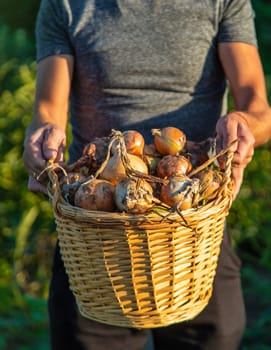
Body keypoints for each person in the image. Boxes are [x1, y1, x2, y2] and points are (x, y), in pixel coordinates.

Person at [23, 1, 271, 349]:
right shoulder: (66, 5)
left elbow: (256, 104)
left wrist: (244, 125)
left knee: (217, 335)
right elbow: (48, 108)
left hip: (193, 226)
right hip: (96, 227)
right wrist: (43, 136)